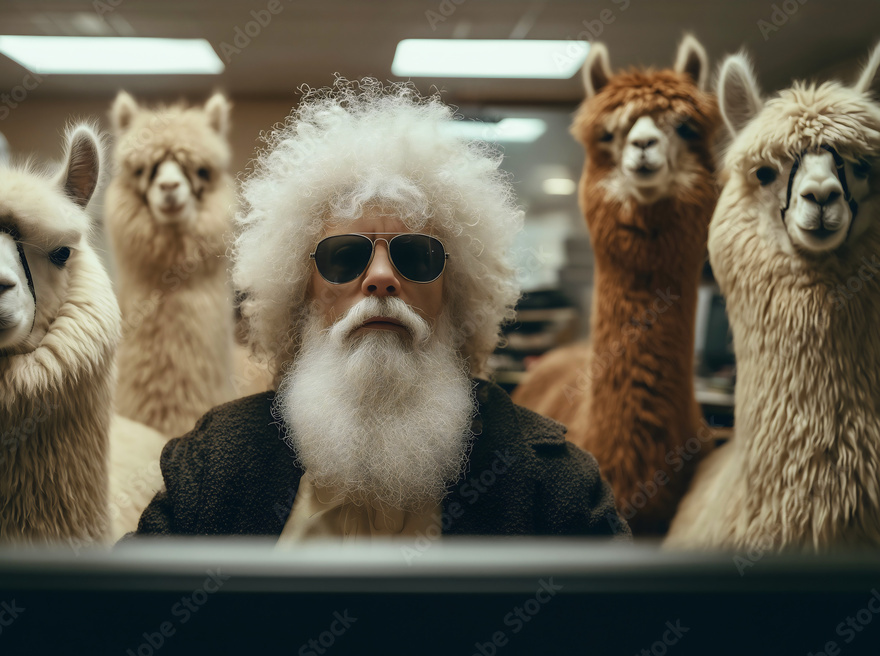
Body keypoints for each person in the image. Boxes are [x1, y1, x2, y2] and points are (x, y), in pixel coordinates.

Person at [130, 78, 630, 543]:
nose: (382, 277)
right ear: (301, 292)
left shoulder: (556, 485)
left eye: (416, 257)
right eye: (345, 257)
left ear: (455, 294)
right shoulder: (214, 463)